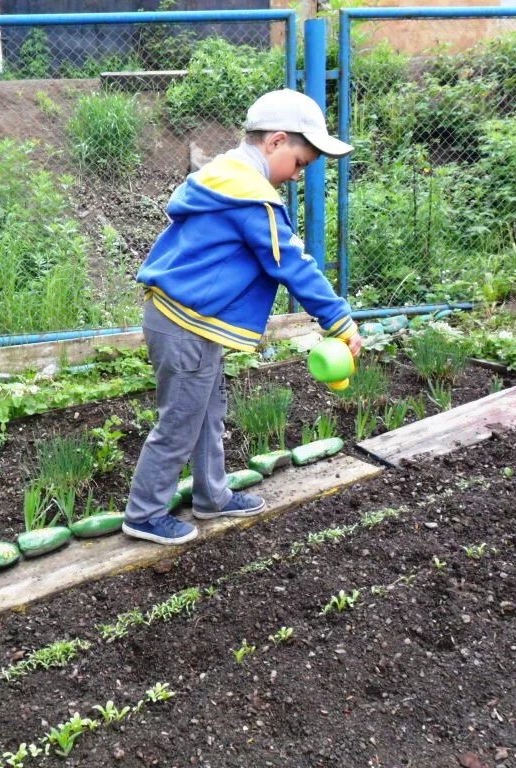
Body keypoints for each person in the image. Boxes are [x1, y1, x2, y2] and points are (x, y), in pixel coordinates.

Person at [122, 88, 362, 546]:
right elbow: (290, 262)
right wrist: (339, 320)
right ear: (275, 142)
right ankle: (145, 512)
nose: (296, 176)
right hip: (184, 326)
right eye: (300, 163)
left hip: (188, 321)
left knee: (206, 413)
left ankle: (212, 495)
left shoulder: (222, 176)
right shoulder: (251, 196)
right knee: (179, 420)